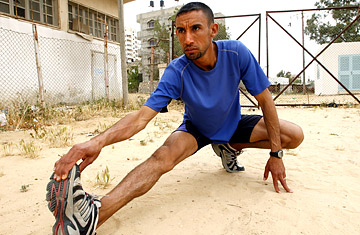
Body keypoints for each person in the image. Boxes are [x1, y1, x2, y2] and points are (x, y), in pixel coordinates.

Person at [46, 2, 304, 234]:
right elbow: (139, 119)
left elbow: (265, 101)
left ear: (213, 30)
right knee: (162, 156)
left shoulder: (236, 53)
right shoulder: (177, 70)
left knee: (293, 135)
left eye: (195, 28)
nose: (187, 38)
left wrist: (275, 154)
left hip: (233, 124)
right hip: (197, 129)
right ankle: (93, 216)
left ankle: (229, 146)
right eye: (181, 31)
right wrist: (96, 142)